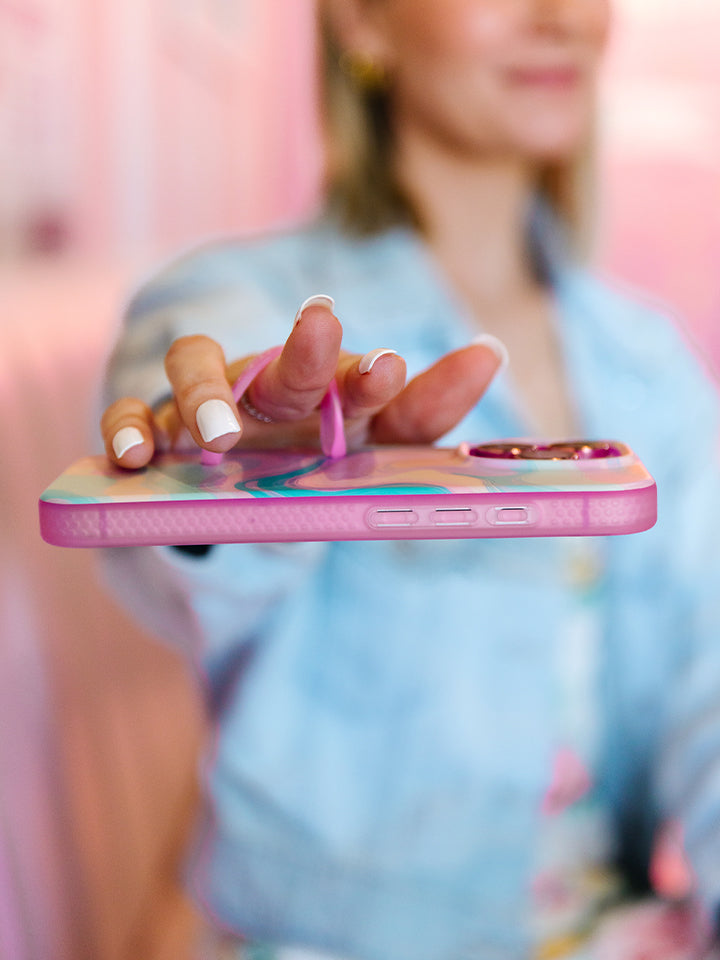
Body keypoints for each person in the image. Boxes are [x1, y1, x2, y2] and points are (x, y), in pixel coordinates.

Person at [100, 1, 720, 958]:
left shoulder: (653, 362)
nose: (561, 16)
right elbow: (180, 554)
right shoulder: (235, 299)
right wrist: (244, 471)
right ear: (361, 20)